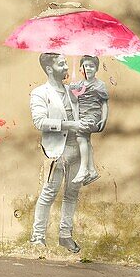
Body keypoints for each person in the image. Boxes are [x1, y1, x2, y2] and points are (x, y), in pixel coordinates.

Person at [29, 52, 85, 253]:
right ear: (50, 69)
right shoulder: (40, 93)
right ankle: (38, 237)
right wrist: (67, 124)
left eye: (65, 63)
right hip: (56, 151)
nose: (66, 67)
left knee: (72, 194)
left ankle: (65, 235)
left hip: (77, 149)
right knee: (49, 193)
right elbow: (39, 122)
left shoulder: (73, 91)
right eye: (61, 64)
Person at [69, 55, 110, 185]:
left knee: (80, 137)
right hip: (81, 114)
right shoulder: (79, 84)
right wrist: (72, 91)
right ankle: (92, 171)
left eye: (91, 66)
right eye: (86, 66)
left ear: (96, 69)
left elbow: (104, 103)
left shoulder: (100, 84)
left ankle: (83, 170)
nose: (88, 68)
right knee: (86, 140)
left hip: (93, 115)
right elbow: (75, 101)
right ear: (82, 68)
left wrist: (104, 118)